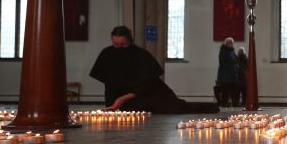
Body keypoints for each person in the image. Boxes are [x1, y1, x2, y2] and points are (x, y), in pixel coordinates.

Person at [89, 26, 218, 114]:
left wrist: (123, 99)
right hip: (127, 102)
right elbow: (109, 83)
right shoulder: (108, 54)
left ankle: (211, 107)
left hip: (153, 95)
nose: (119, 48)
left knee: (177, 108)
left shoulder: (140, 55)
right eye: (116, 45)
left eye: (123, 45)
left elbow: (147, 85)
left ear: (130, 41)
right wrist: (110, 105)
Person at [215, 37, 239, 107]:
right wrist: (232, 68)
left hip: (232, 76)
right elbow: (223, 62)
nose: (231, 44)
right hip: (225, 76)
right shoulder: (223, 51)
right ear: (227, 43)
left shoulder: (232, 51)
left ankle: (234, 103)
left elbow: (235, 61)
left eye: (232, 43)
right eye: (230, 43)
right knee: (225, 91)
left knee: (234, 91)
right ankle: (224, 104)